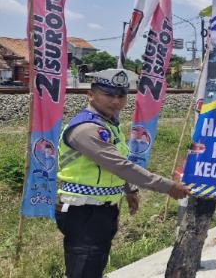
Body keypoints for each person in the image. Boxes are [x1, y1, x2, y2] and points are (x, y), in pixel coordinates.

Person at [56, 68, 191, 278]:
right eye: (108, 95)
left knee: (92, 268)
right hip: (82, 211)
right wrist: (168, 186)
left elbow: (117, 164)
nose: (116, 101)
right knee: (83, 271)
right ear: (90, 95)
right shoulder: (86, 129)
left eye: (121, 96)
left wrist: (129, 190)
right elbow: (121, 166)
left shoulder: (109, 125)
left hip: (102, 211)